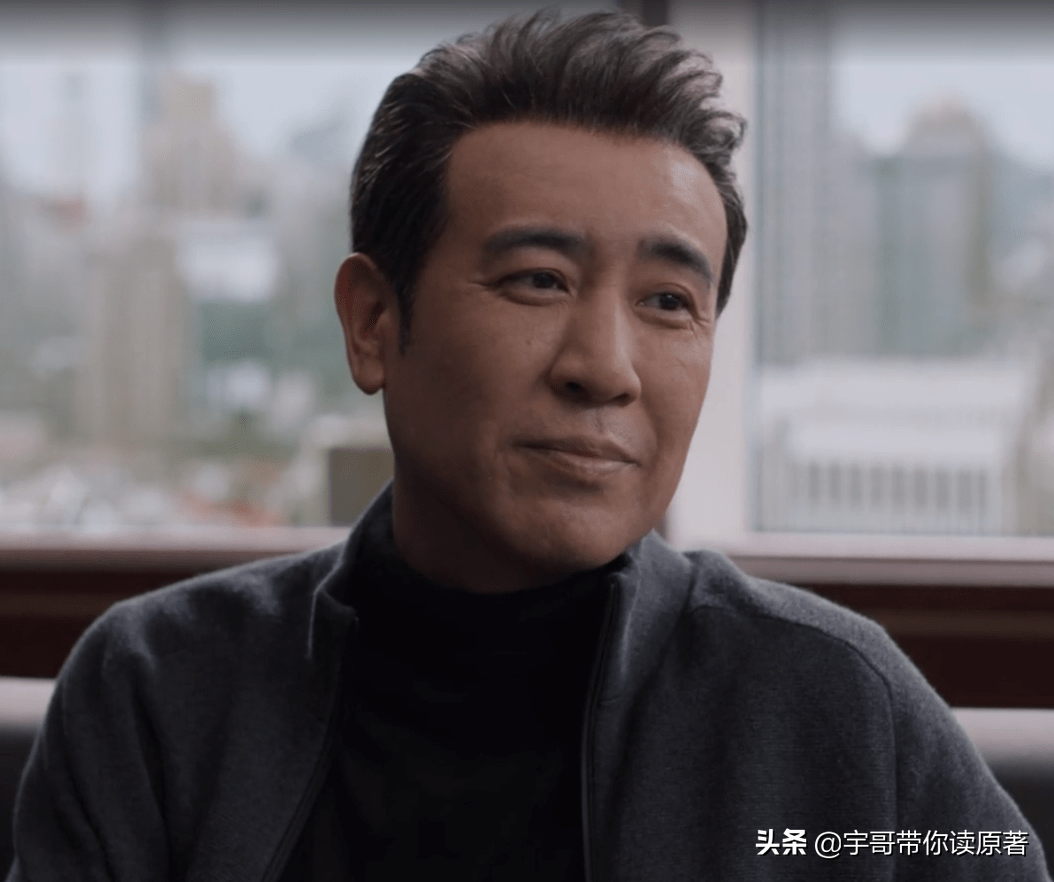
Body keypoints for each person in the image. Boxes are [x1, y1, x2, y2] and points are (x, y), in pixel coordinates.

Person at [7, 10, 1049, 882]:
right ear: (373, 322)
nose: (605, 366)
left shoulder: (830, 704)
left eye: (668, 301)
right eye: (538, 280)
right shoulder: (158, 694)